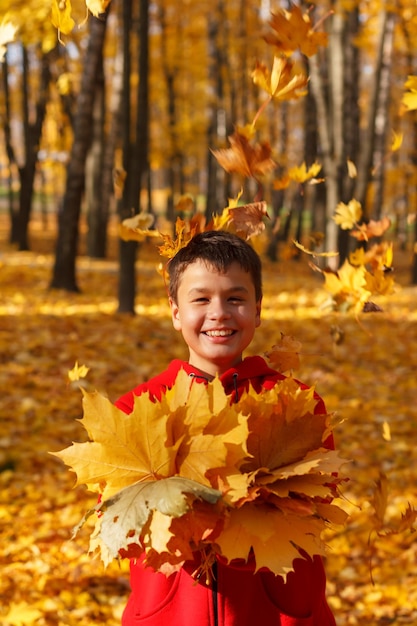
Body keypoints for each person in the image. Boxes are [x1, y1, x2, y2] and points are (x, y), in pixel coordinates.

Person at [115, 230, 336, 626]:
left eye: (235, 298)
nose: (219, 312)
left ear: (258, 309)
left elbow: (316, 502)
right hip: (171, 615)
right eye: (200, 299)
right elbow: (123, 525)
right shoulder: (137, 410)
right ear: (175, 311)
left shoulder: (295, 405)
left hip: (277, 612)